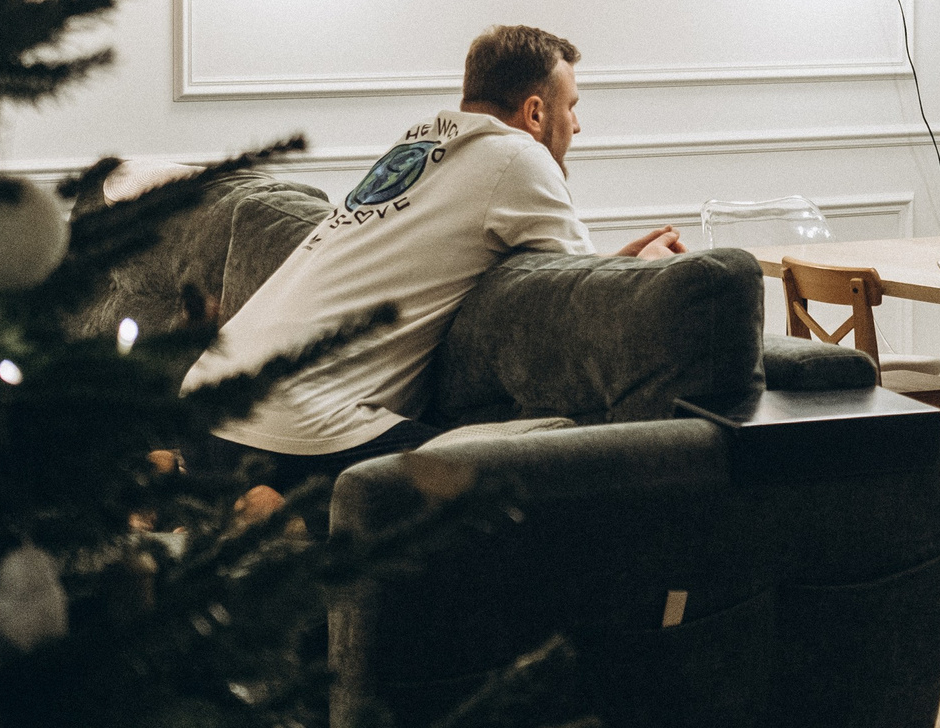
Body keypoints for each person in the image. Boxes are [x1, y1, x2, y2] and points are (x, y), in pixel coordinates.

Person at [183, 24, 685, 485]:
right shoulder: (518, 156)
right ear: (535, 112)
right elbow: (584, 310)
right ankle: (292, 508)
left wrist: (620, 266)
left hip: (203, 410)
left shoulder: (420, 141)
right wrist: (644, 277)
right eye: (571, 106)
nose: (576, 125)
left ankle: (204, 484)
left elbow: (569, 275)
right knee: (516, 479)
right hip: (296, 430)